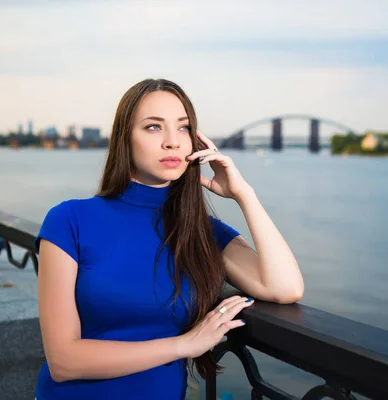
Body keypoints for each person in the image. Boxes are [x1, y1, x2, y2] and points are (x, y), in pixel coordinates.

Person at [35, 78, 304, 400]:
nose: (172, 142)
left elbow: (285, 288)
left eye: (183, 128)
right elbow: (64, 361)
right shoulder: (69, 220)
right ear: (125, 139)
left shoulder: (202, 232)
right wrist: (183, 345)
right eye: (153, 127)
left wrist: (244, 195)